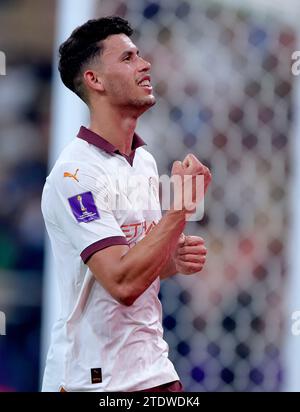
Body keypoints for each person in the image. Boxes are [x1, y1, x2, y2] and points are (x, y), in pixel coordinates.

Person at [41, 16, 211, 392]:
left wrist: (169, 260)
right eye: (128, 58)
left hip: (153, 370)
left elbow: (135, 262)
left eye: (140, 56)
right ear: (95, 81)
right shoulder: (75, 176)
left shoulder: (143, 161)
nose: (145, 64)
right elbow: (120, 282)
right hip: (94, 381)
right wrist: (179, 212)